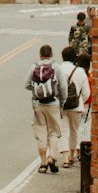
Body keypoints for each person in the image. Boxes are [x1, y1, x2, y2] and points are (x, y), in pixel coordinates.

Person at [26, 43, 62, 173]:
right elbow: (62, 86)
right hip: (53, 103)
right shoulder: (56, 67)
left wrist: (38, 91)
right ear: (51, 54)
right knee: (54, 131)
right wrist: (61, 100)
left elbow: (27, 84)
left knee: (41, 133)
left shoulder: (34, 67)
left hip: (38, 104)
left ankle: (42, 163)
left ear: (40, 55)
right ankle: (52, 156)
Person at [56, 46, 90, 167]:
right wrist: (80, 100)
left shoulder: (58, 69)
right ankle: (71, 155)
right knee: (74, 131)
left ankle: (65, 158)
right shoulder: (80, 71)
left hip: (62, 105)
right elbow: (87, 92)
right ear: (74, 57)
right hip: (77, 106)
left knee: (64, 130)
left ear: (62, 57)